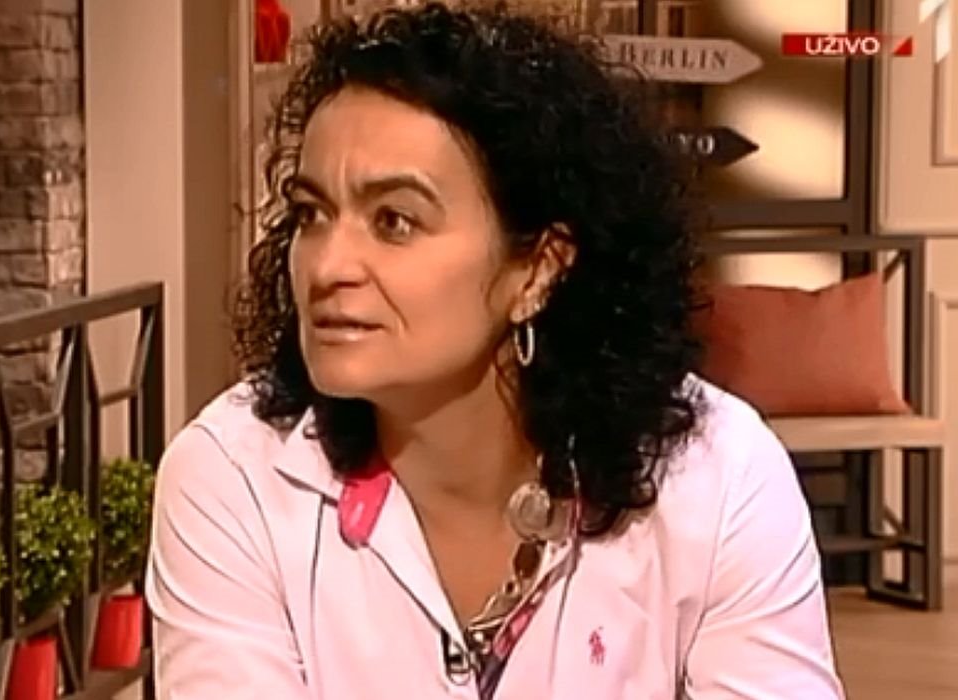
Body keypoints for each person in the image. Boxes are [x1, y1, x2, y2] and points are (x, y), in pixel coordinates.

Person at [145, 3, 845, 698]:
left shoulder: (716, 475)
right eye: (311, 214)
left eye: (394, 221)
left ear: (537, 269)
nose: (328, 266)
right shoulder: (232, 476)